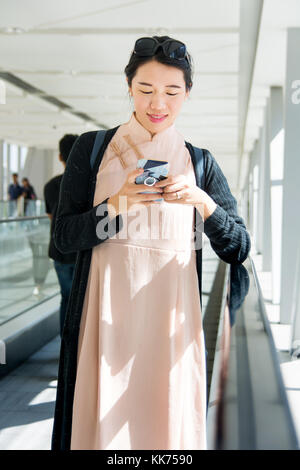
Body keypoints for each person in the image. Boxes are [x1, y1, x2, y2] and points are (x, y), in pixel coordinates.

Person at [51, 36, 251, 451]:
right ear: (129, 87)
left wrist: (202, 202)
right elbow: (65, 240)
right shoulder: (92, 150)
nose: (157, 103)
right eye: (145, 90)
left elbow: (238, 248)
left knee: (165, 433)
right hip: (102, 327)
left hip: (169, 332)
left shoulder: (200, 162)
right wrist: (116, 205)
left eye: (171, 92)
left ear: (187, 94)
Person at [44, 134, 79, 337]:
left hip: (59, 250)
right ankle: (79, 344)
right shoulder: (88, 185)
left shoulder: (50, 185)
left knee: (66, 297)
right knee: (82, 299)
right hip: (81, 251)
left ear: (60, 157)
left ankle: (65, 342)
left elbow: (52, 218)